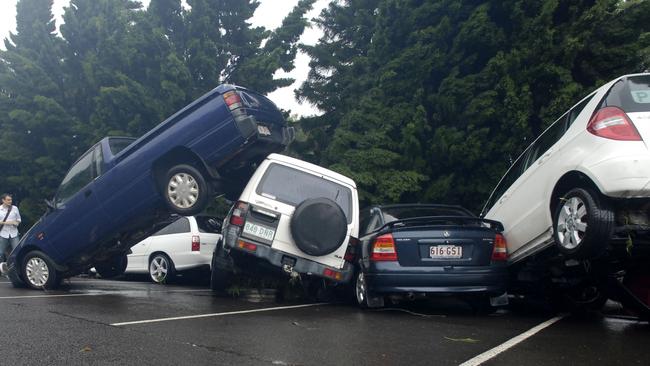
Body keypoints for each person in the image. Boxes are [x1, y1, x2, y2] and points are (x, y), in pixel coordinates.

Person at [0, 193, 21, 274]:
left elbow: (19, 219)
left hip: (14, 233)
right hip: (3, 234)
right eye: (8, 200)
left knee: (17, 252)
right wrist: (7, 222)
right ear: (3, 200)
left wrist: (16, 223)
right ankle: (2, 270)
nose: (10, 201)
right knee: (0, 253)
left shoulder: (15, 208)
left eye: (11, 200)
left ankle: (16, 269)